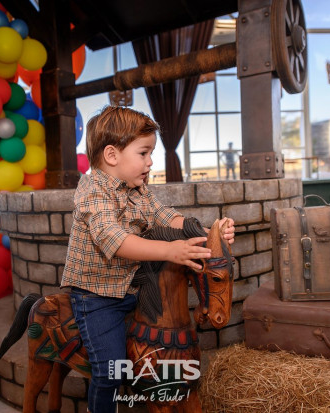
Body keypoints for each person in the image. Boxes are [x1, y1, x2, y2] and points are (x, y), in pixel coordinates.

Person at [60, 105, 235, 413]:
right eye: (143, 153)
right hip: (97, 297)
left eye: (150, 153)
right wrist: (169, 251)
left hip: (132, 288)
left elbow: (164, 216)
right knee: (110, 369)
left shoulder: (138, 188)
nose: (150, 161)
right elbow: (114, 238)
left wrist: (209, 234)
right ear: (112, 155)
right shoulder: (92, 192)